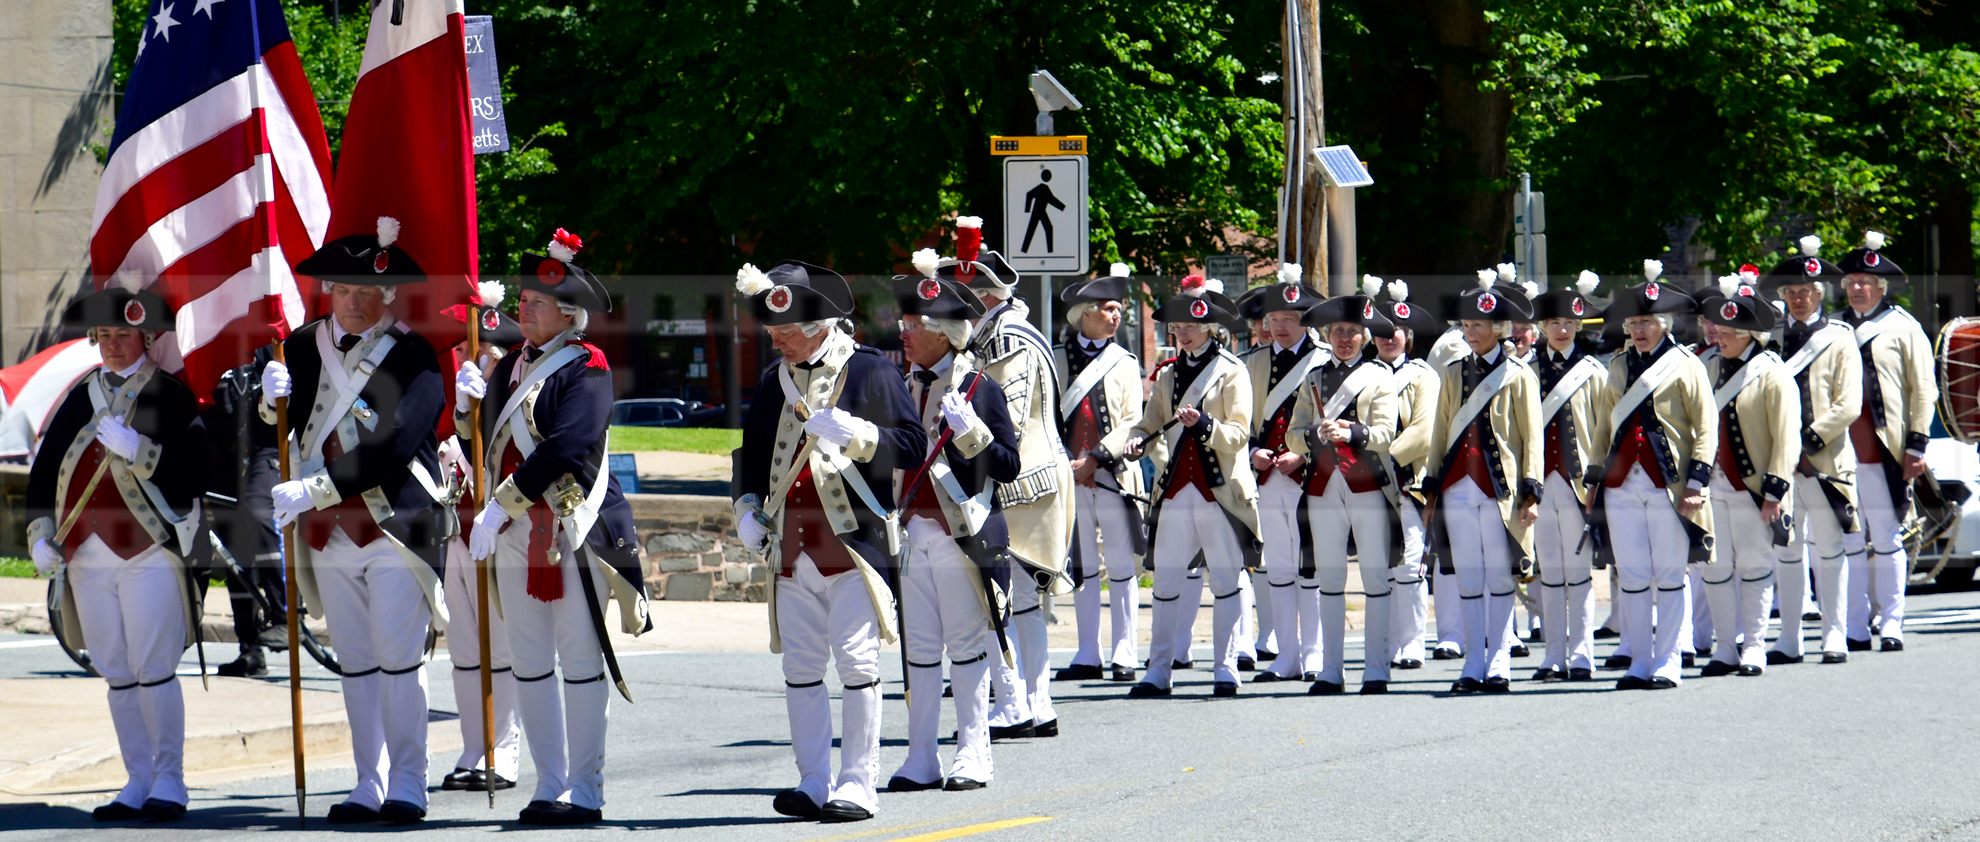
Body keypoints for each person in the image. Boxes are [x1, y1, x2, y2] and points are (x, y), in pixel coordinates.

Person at [261, 218, 449, 825]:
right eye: (345, 291)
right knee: (358, 660)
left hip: (395, 522)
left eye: (368, 293)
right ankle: (366, 782)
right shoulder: (298, 346)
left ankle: (409, 783)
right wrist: (266, 400)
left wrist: (313, 487)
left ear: (388, 296)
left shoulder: (414, 356)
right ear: (328, 293)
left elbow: (393, 446)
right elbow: (271, 433)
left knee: (398, 658)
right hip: (328, 530)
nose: (356, 302)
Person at [462, 232, 652, 825]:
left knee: (579, 661)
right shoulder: (508, 368)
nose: (523, 309)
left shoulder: (586, 366)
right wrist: (469, 407)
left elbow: (571, 444)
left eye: (536, 303)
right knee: (530, 663)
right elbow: (488, 447)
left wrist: (502, 504)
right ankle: (548, 784)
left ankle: (586, 789)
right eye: (521, 300)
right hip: (518, 532)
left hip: (573, 527)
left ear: (569, 315)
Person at [732, 260, 923, 823]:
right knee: (802, 668)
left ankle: (858, 784)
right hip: (791, 549)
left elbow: (911, 445)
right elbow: (751, 455)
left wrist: (861, 435)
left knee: (859, 666)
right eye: (773, 334)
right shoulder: (775, 380)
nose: (779, 342)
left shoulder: (868, 372)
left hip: (853, 546)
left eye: (787, 333)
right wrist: (744, 507)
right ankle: (813, 780)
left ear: (821, 324)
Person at [27, 282, 209, 822]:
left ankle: (170, 781)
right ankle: (137, 778)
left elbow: (199, 470)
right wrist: (40, 536)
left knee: (153, 667)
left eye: (122, 335)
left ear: (145, 337)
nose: (112, 345)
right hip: (86, 554)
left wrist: (143, 453)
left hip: (147, 549)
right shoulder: (81, 395)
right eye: (104, 335)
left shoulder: (169, 395)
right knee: (117, 670)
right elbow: (44, 474)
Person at [885, 263, 1020, 793]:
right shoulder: (899, 384)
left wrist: (974, 436)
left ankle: (974, 753)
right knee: (918, 648)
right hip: (910, 533)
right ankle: (921, 756)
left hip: (962, 532)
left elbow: (1007, 463)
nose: (905, 331)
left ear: (943, 331)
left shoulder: (980, 387)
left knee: (965, 645)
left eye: (915, 323)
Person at [942, 218, 1076, 739]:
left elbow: (1009, 423)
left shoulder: (1006, 340)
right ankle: (1033, 704)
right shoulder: (1000, 333)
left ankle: (1020, 703)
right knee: (1020, 601)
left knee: (1008, 597)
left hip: (1024, 486)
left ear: (983, 298)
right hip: (1030, 482)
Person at [1121, 275, 1259, 698]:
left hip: (1219, 491)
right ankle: (1159, 670)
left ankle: (1226, 667)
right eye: (1176, 325)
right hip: (1176, 488)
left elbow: (1239, 434)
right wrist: (1137, 441)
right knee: (1165, 582)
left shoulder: (1233, 372)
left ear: (1209, 326)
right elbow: (1149, 423)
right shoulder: (1167, 376)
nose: (1179, 331)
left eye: (1187, 325)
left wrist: (1206, 424)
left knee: (1225, 581)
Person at [1584, 260, 1716, 690]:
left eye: (1648, 321)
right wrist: (1594, 479)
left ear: (1663, 323)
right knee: (1634, 575)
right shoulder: (1618, 367)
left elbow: (1705, 426)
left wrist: (1696, 483)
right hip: (1623, 481)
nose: (1640, 329)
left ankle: (1670, 659)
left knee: (1670, 574)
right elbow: (1604, 426)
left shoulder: (1685, 364)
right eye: (1635, 322)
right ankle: (1640, 659)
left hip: (1669, 483)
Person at [1426, 273, 1542, 694]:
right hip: (1458, 487)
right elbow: (1440, 433)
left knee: (1498, 578)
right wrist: (1432, 487)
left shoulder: (1518, 375)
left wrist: (1532, 494)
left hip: (1500, 491)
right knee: (1469, 580)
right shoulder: (1453, 372)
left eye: (1478, 326)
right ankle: (1472, 663)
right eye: (1466, 326)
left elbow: (1532, 438)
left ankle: (1499, 664)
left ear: (1498, 328)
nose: (1470, 333)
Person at [436, 282, 525, 795]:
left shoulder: (512, 400)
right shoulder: (456, 399)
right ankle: (475, 747)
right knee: (466, 650)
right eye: (472, 355)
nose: (481, 364)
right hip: (455, 530)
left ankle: (505, 750)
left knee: (503, 647)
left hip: (502, 533)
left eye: (488, 356)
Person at [1287, 293, 1400, 694]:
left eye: (1353, 332)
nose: (1345, 338)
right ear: (1328, 335)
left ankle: (1376, 670)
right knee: (1329, 579)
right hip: (1321, 485)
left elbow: (1387, 434)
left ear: (1365, 336)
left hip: (1366, 483)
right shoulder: (1313, 378)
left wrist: (1352, 432)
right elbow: (1292, 435)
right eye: (1338, 331)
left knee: (1375, 579)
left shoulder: (1380, 376)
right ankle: (1330, 671)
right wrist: (1314, 434)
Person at [1761, 238, 1862, 665]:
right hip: (1783, 462)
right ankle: (1789, 638)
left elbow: (1849, 403)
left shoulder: (1839, 338)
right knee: (1786, 548)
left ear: (1819, 294)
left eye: (1806, 292)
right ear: (1783, 297)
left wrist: (1811, 438)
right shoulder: (1771, 341)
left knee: (1829, 548)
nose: (1799, 299)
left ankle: (1834, 634)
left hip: (1824, 458)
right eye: (1791, 293)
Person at [1835, 231, 1936, 652]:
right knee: (1851, 541)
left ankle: (1892, 622)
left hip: (1884, 448)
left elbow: (1922, 388)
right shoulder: (1834, 329)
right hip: (1840, 451)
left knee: (1889, 538)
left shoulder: (1903, 327)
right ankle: (1856, 625)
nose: (1858, 289)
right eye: (1851, 282)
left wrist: (1916, 444)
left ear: (1880, 287)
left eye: (1865, 283)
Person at [1695, 277, 1799, 677]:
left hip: (1753, 489)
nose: (1718, 338)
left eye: (1725, 334)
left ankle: (1754, 645)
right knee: (1716, 568)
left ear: (1746, 334)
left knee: (1754, 565)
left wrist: (1775, 490)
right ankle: (1725, 646)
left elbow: (1785, 436)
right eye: (1717, 332)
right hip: (1711, 487)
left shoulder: (1771, 372)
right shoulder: (1705, 366)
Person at [1052, 263, 1150, 683]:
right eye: (1109, 308)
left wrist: (1095, 458)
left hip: (1113, 475)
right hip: (1068, 476)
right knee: (1082, 566)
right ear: (1085, 313)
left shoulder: (1125, 361)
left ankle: (1125, 651)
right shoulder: (1055, 358)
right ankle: (1087, 652)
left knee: (1122, 565)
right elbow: (1043, 417)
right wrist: (1066, 464)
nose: (1117, 316)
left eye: (1119, 309)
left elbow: (1133, 419)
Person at [1245, 264, 1325, 685]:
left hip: (1308, 477)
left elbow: (1336, 422)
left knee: (1308, 568)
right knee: (1277, 567)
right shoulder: (1252, 363)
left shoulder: (1324, 362)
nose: (1278, 326)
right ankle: (1285, 654)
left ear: (1305, 320)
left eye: (1288, 319)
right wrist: (1251, 451)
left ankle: (1313, 653)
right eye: (1273, 319)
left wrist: (1303, 456)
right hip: (1265, 477)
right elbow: (1239, 420)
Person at [1528, 272, 1607, 681]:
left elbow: (1602, 429)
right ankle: (1552, 655)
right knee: (1549, 573)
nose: (1561, 330)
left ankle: (1582, 655)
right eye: (1554, 323)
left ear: (1578, 326)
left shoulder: (1593, 370)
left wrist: (1597, 482)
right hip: (1539, 482)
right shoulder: (1525, 368)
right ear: (1542, 327)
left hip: (1578, 482)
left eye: (1569, 324)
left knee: (1578, 574)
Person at [1368, 277, 1446, 671]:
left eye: (1394, 332)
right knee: (1379, 566)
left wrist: (1382, 460)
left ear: (1408, 335)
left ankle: (1413, 643)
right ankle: (1384, 642)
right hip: (1366, 484)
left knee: (1411, 564)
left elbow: (1423, 430)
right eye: (1380, 332)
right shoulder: (1362, 375)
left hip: (1408, 481)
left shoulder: (1422, 375)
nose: (1387, 339)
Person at [201, 348, 281, 678]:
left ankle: (283, 614)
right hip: (222, 454)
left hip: (267, 447)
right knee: (233, 554)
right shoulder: (207, 339)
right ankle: (250, 649)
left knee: (258, 512)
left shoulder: (265, 341)